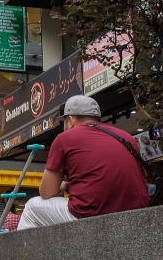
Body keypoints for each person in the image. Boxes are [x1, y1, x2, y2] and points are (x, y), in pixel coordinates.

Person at [17, 95, 151, 230]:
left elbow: (46, 192)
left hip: (90, 213)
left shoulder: (64, 138)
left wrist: (61, 188)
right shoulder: (127, 137)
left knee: (31, 208)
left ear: (71, 120)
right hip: (136, 213)